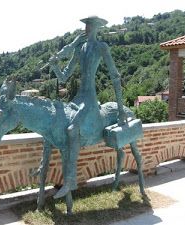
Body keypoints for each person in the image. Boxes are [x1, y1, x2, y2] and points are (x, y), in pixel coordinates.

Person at [49, 16, 127, 198]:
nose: (86, 28)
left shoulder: (101, 47)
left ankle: (70, 181)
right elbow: (63, 77)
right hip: (78, 98)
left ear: (97, 28)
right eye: (86, 25)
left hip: (90, 99)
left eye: (90, 26)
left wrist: (121, 108)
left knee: (72, 128)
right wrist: (54, 65)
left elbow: (115, 76)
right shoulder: (79, 48)